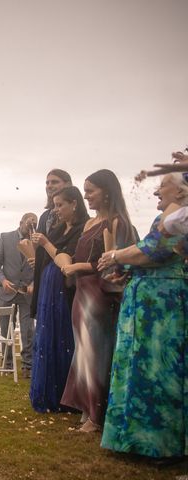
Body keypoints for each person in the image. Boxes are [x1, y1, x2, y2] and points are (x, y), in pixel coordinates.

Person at [98, 172, 188, 461]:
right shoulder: (168, 217)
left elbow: (153, 251)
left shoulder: (179, 219)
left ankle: (157, 443)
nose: (155, 193)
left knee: (157, 367)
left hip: (162, 308)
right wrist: (126, 269)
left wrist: (115, 256)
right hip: (145, 300)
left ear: (183, 191)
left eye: (162, 186)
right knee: (135, 365)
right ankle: (133, 438)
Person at [59, 169, 137, 433]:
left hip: (101, 294)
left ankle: (97, 414)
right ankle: (85, 408)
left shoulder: (118, 223)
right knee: (83, 352)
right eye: (85, 190)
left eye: (90, 190)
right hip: (81, 292)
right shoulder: (89, 224)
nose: (86, 196)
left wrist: (80, 266)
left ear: (106, 191)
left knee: (99, 352)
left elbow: (122, 265)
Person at [29, 186, 88, 412]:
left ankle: (67, 395)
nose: (57, 210)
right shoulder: (58, 228)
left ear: (74, 203)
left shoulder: (83, 228)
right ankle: (48, 392)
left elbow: (68, 259)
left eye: (60, 205)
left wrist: (45, 243)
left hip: (65, 288)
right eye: (54, 205)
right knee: (48, 336)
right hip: (48, 286)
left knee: (64, 338)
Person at [0, 212, 37, 377]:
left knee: (28, 330)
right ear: (21, 222)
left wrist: (34, 283)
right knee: (5, 330)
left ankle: (28, 366)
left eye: (34, 224)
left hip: (27, 294)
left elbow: (41, 266)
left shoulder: (37, 241)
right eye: (29, 223)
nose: (31, 227)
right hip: (7, 291)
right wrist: (2, 281)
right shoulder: (5, 238)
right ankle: (7, 364)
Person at [30, 169, 72, 320]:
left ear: (67, 184)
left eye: (54, 182)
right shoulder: (45, 216)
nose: (49, 185)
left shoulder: (73, 216)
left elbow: (67, 248)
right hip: (44, 276)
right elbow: (41, 248)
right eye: (47, 182)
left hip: (64, 277)